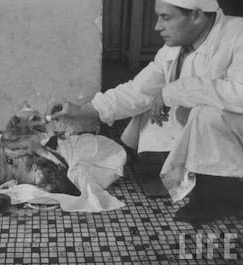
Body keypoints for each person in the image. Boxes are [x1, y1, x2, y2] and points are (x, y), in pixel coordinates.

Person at [49, 0, 243, 224]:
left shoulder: (238, 34)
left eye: (166, 18)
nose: (157, 26)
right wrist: (82, 110)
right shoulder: (176, 46)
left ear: (197, 16)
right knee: (150, 109)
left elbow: (239, 93)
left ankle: (220, 196)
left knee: (206, 115)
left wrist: (174, 92)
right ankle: (190, 173)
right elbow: (138, 91)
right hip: (206, 129)